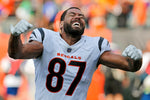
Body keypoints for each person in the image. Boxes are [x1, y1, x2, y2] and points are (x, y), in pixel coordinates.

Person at [8, 7, 142, 100]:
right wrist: (14, 37)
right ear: (60, 25)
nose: (77, 17)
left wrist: (137, 59)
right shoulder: (45, 38)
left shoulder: (93, 46)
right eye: (72, 15)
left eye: (81, 16)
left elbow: (129, 65)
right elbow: (18, 53)